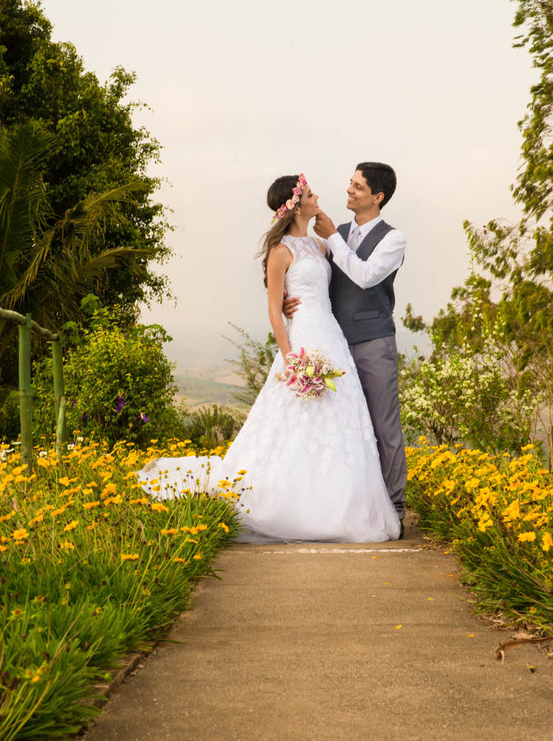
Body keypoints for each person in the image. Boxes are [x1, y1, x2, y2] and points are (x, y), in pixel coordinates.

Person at [139, 174, 400, 543]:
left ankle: (335, 502)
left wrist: (384, 309)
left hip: (332, 338)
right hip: (303, 339)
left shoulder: (322, 245)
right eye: (309, 193)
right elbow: (274, 310)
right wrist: (290, 358)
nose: (317, 197)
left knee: (341, 419)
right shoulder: (280, 251)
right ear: (295, 204)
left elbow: (354, 283)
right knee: (294, 420)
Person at [291, 162, 407, 534]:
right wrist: (282, 300)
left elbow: (365, 276)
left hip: (373, 342)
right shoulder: (335, 234)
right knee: (346, 428)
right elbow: (304, 272)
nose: (349, 191)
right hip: (335, 346)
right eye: (350, 183)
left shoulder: (393, 239)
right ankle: (349, 506)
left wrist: (335, 241)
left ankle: (395, 509)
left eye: (358, 187)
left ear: (378, 197)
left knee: (383, 425)